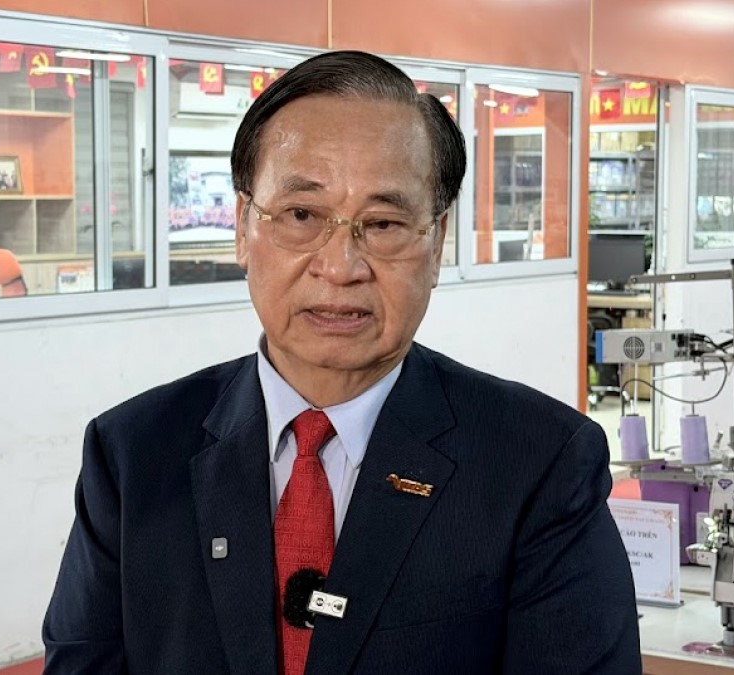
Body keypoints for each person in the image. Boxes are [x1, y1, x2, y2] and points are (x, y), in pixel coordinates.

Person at [42, 50, 641, 674]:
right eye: (301, 215)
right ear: (243, 227)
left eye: (383, 224)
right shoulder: (133, 453)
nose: (340, 266)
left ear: (436, 242)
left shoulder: (539, 463)